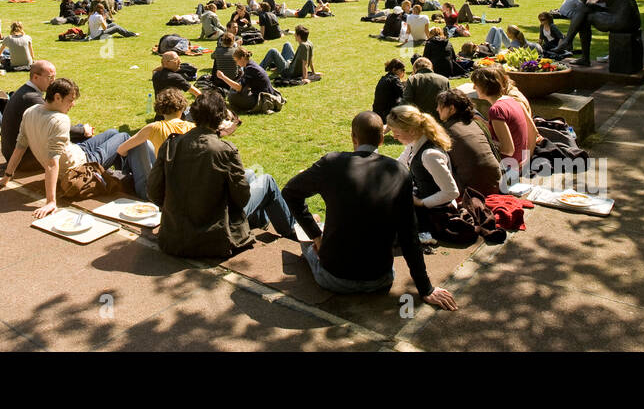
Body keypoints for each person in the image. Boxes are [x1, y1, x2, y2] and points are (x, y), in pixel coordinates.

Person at [281, 111, 457, 308]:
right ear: (382, 139)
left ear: (353, 137)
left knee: (306, 239)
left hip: (334, 277)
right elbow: (409, 235)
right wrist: (426, 288)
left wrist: (316, 236)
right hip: (379, 278)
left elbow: (289, 192)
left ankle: (316, 232)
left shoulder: (331, 163)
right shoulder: (399, 172)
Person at [148, 90, 297, 257]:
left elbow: (154, 192)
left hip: (173, 237)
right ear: (220, 118)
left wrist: (176, 211)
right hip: (213, 238)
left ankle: (261, 222)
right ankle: (293, 230)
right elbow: (242, 199)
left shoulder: (170, 145)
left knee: (250, 175)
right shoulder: (225, 151)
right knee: (266, 181)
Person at [0, 78, 132, 218]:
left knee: (113, 132)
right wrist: (51, 202)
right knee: (124, 136)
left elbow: (20, 147)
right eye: (70, 100)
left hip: (77, 150)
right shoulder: (60, 120)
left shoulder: (30, 111)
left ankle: (120, 173)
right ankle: (126, 177)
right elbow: (51, 163)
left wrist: (6, 177)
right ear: (58, 97)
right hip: (80, 166)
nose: (73, 104)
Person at [387, 105, 460, 240]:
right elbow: (398, 164)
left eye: (396, 133)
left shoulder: (429, 155)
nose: (394, 137)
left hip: (435, 210)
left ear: (412, 131)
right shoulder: (414, 143)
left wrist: (421, 203)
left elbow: (451, 192)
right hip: (422, 197)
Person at [470, 66, 539, 178]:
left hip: (508, 168)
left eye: (476, 84)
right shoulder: (512, 100)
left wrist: (484, 142)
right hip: (520, 162)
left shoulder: (496, 110)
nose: (473, 87)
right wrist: (526, 160)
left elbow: (507, 149)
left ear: (484, 86)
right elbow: (533, 131)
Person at [435, 89, 501, 196]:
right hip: (497, 182)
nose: (437, 109)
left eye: (440, 105)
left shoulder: (444, 131)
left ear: (451, 108)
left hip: (471, 190)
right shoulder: (476, 123)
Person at [0, 60, 57, 161]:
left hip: (13, 154)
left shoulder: (25, 91)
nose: (53, 81)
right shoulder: (31, 98)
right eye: (50, 77)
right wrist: (82, 130)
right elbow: (55, 125)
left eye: (54, 77)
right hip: (24, 159)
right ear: (35, 77)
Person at [216, 47, 281, 113]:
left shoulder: (250, 69)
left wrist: (223, 77)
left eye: (236, 61)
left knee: (232, 96)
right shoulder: (250, 64)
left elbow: (239, 88)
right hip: (263, 93)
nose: (236, 64)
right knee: (233, 91)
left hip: (262, 97)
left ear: (242, 58)